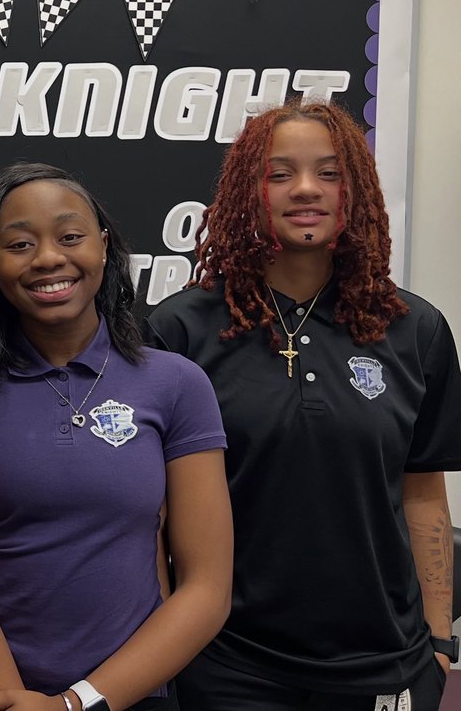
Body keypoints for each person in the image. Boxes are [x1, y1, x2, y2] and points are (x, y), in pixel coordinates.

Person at [146, 99, 461, 710]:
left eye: (330, 172)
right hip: (227, 663)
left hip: (384, 662)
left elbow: (422, 492)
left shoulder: (415, 329)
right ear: (247, 190)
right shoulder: (179, 330)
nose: (306, 190)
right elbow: (152, 518)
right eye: (279, 173)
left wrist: (441, 640)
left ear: (356, 191)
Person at [0, 162, 233, 711]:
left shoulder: (177, 383)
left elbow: (207, 590)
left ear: (104, 247)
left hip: (128, 694)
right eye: (18, 244)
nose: (47, 258)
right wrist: (11, 702)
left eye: (70, 237)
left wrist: (74, 704)